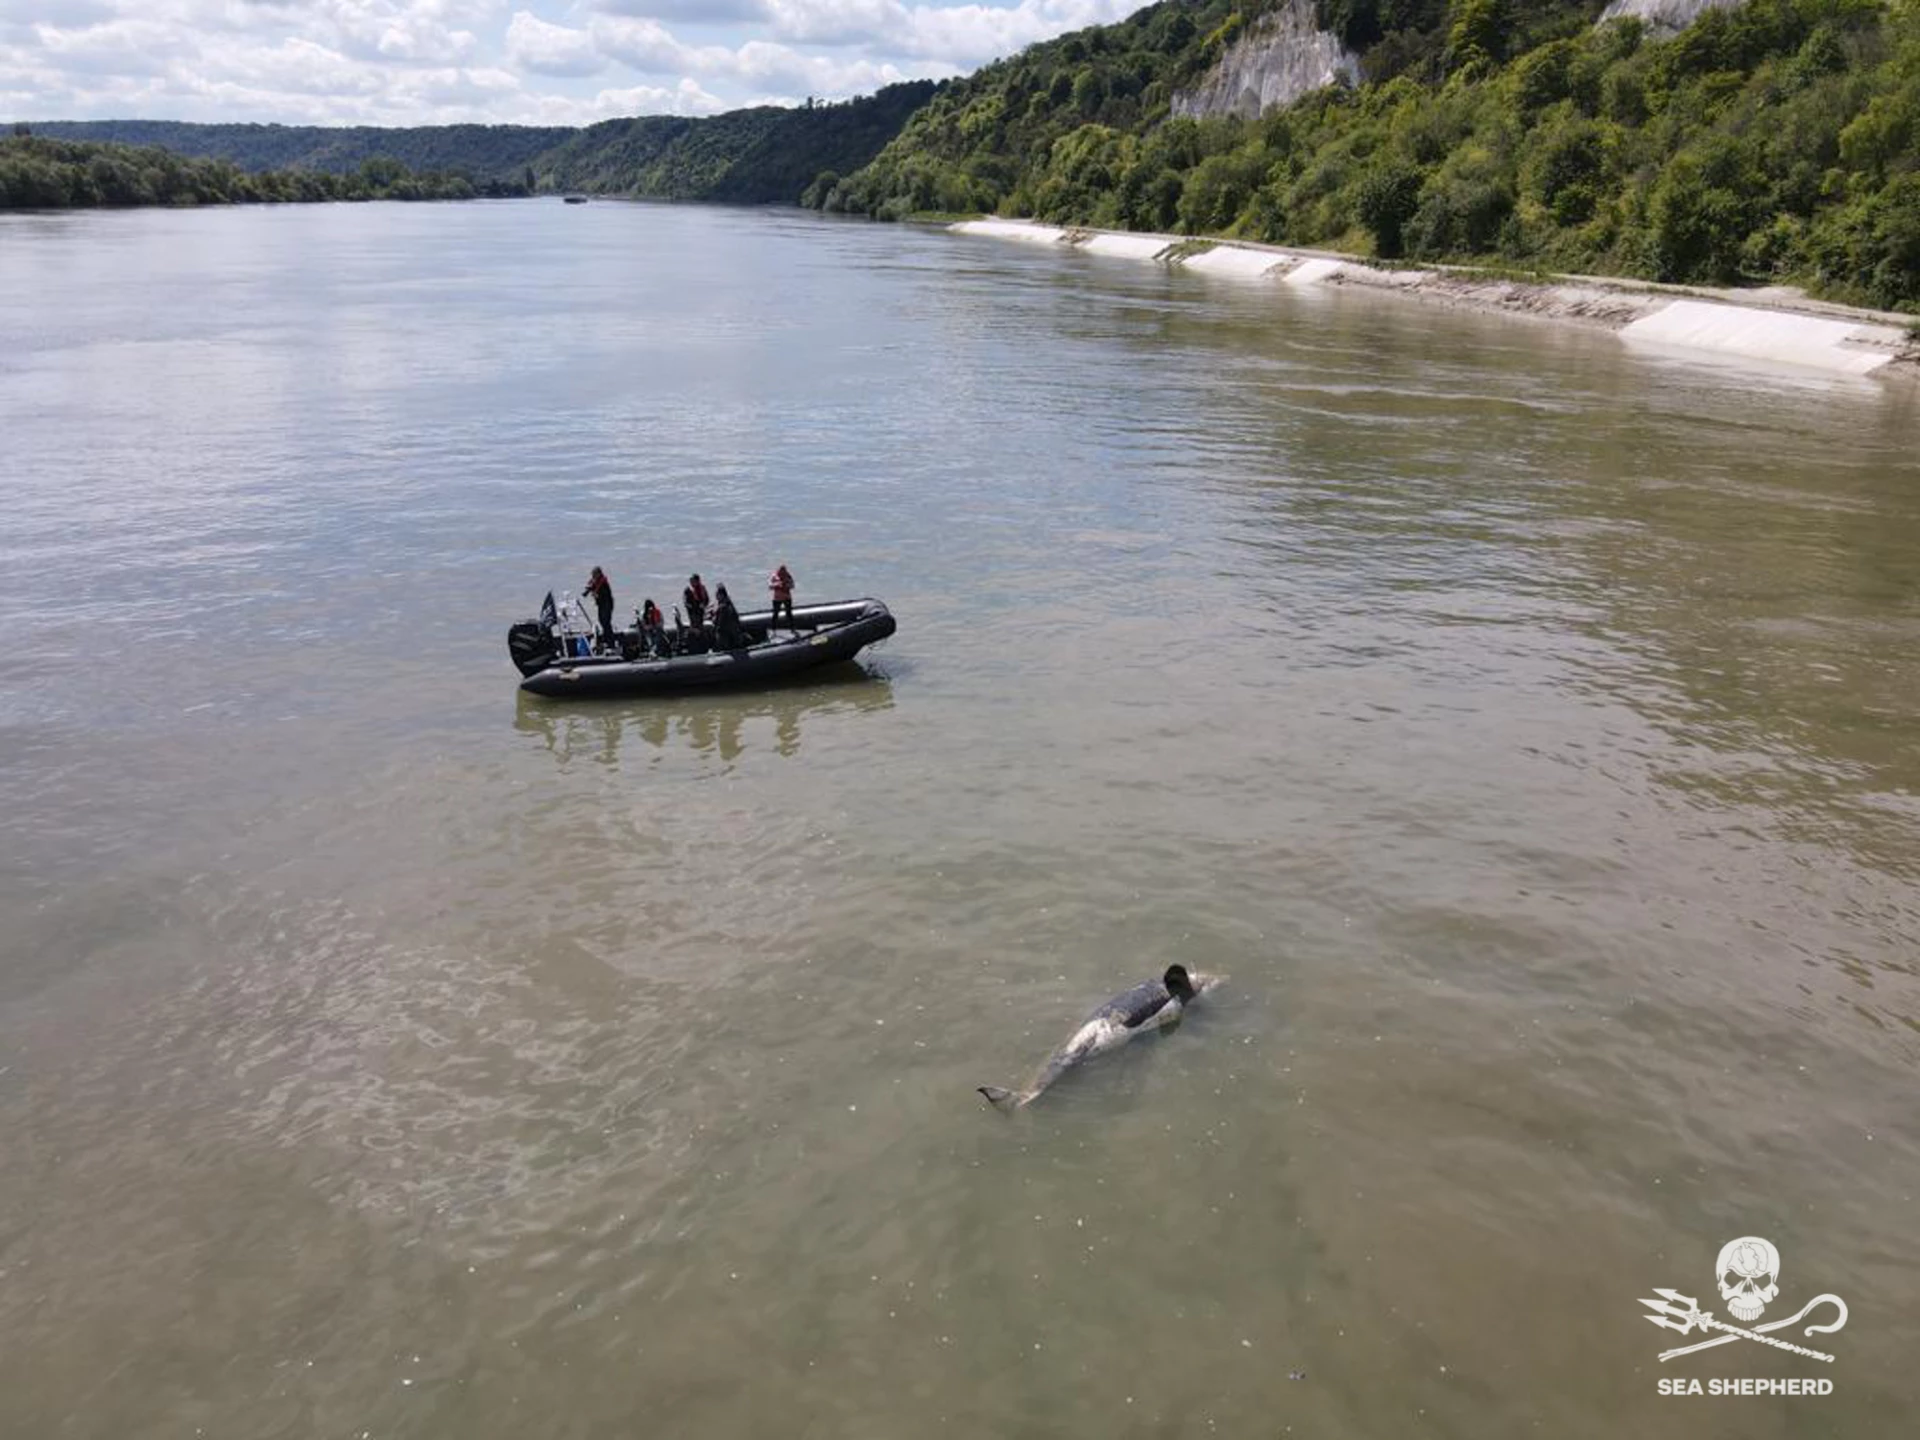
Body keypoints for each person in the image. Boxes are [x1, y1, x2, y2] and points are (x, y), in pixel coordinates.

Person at [583, 566, 615, 647]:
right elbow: (591, 586)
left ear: (598, 574)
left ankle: (610, 643)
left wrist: (595, 594)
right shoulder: (596, 581)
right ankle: (606, 639)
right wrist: (588, 590)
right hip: (601, 604)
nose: (593, 577)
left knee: (606, 622)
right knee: (601, 621)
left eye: (594, 575)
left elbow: (603, 595)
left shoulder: (603, 583)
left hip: (606, 604)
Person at [712, 584, 747, 650]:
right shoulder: (728, 604)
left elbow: (719, 623)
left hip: (727, 637)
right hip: (732, 634)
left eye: (717, 593)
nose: (715, 595)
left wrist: (713, 619)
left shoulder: (723, 607)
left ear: (721, 595)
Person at [768, 563, 795, 630]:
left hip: (787, 597)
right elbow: (770, 586)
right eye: (781, 571)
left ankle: (792, 628)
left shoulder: (788, 576)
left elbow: (792, 585)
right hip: (777, 598)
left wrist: (786, 585)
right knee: (775, 614)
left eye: (784, 571)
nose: (782, 572)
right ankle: (773, 628)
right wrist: (777, 585)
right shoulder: (774, 576)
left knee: (789, 614)